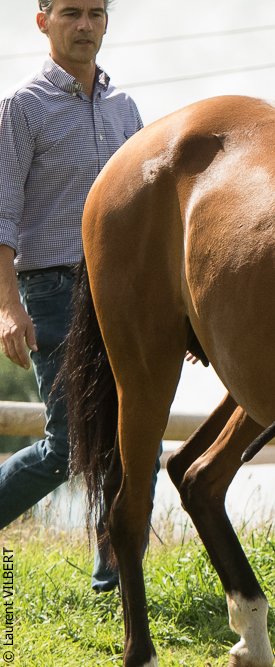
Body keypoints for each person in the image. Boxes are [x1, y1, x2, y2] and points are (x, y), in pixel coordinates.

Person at [0, 0, 150, 592]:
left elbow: (148, 215)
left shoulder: (125, 109)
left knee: (136, 440)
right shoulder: (23, 107)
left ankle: (117, 575)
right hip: (53, 291)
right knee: (67, 446)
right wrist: (8, 307)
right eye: (69, 13)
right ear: (43, 21)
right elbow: (2, 217)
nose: (83, 24)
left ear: (107, 20)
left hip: (123, 291)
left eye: (94, 12)